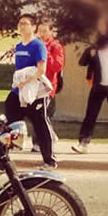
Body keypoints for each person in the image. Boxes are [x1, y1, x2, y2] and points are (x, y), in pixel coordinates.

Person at [4, 14, 58, 170]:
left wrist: (26, 81)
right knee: (8, 120)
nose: (21, 26)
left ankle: (50, 160)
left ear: (33, 27)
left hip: (36, 92)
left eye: (25, 24)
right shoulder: (19, 46)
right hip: (19, 91)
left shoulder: (38, 46)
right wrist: (19, 83)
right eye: (19, 23)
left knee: (41, 124)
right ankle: (4, 159)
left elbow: (42, 70)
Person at [72, 16, 108, 155]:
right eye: (99, 25)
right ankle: (83, 143)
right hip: (99, 83)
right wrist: (91, 53)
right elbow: (92, 60)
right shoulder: (99, 42)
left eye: (103, 25)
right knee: (90, 113)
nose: (100, 27)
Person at [31, 20, 65, 152]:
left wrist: (45, 52)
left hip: (47, 86)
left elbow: (57, 66)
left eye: (45, 31)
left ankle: (45, 140)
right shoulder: (34, 45)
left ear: (51, 32)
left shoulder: (56, 46)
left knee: (42, 113)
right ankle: (37, 142)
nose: (42, 34)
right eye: (40, 31)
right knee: (35, 113)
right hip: (34, 84)